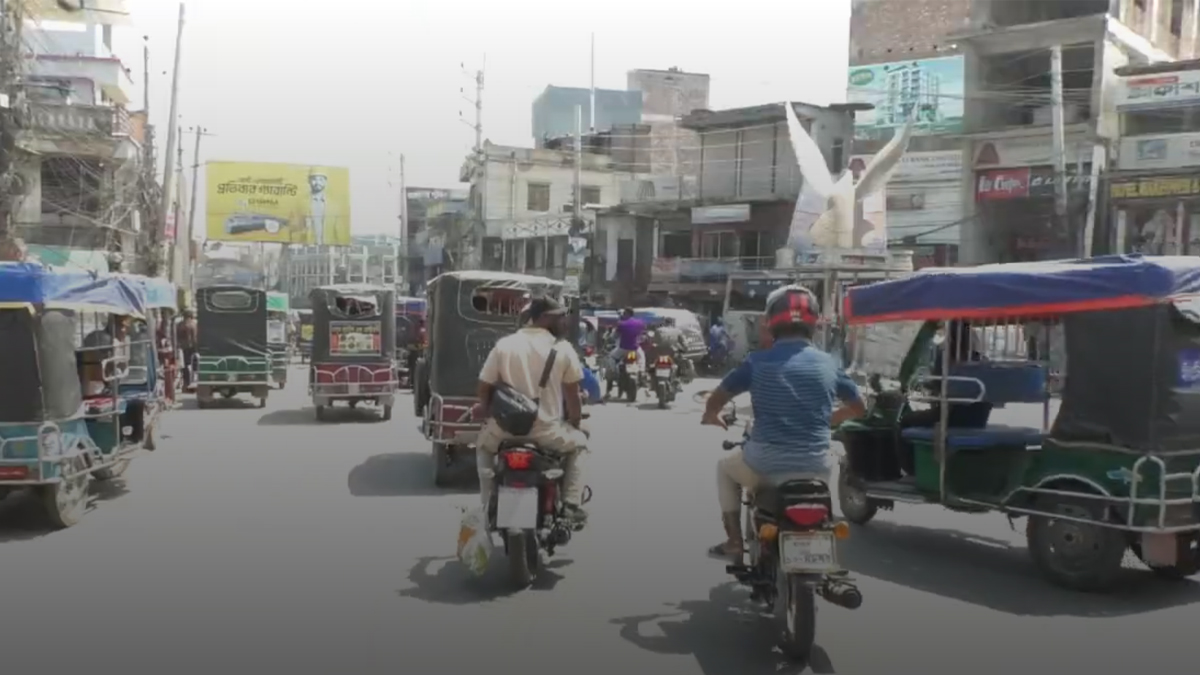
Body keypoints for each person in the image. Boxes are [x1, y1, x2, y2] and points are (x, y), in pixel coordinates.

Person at [700, 285, 867, 561]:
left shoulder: (757, 362)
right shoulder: (829, 363)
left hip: (765, 464)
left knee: (725, 469)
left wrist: (711, 414)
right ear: (813, 323)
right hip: (817, 467)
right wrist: (830, 419)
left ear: (771, 323)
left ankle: (734, 542)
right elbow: (859, 408)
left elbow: (719, 395)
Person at [471, 297, 590, 524]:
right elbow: (572, 396)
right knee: (581, 445)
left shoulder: (504, 345)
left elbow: (484, 385)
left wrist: (484, 407)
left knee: (484, 448)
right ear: (544, 317)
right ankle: (571, 503)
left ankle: (487, 505)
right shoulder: (562, 349)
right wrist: (575, 422)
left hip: (503, 432)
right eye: (560, 316)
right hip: (547, 432)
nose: (564, 321)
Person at [81, 316, 132, 396]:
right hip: (95, 382)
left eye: (127, 327)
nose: (125, 331)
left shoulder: (97, 336)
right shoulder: (107, 340)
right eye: (122, 326)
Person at [607, 307, 646, 396]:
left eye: (624, 313)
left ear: (627, 314)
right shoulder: (640, 323)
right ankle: (641, 372)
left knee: (611, 357)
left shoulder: (621, 324)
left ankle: (613, 373)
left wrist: (610, 338)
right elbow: (643, 335)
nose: (623, 315)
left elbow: (614, 336)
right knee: (642, 358)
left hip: (623, 349)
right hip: (635, 348)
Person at [176, 308, 198, 389]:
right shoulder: (193, 324)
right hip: (192, 347)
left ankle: (186, 382)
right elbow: (195, 338)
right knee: (194, 364)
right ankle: (194, 380)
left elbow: (177, 337)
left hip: (183, 347)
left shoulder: (180, 325)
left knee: (185, 365)